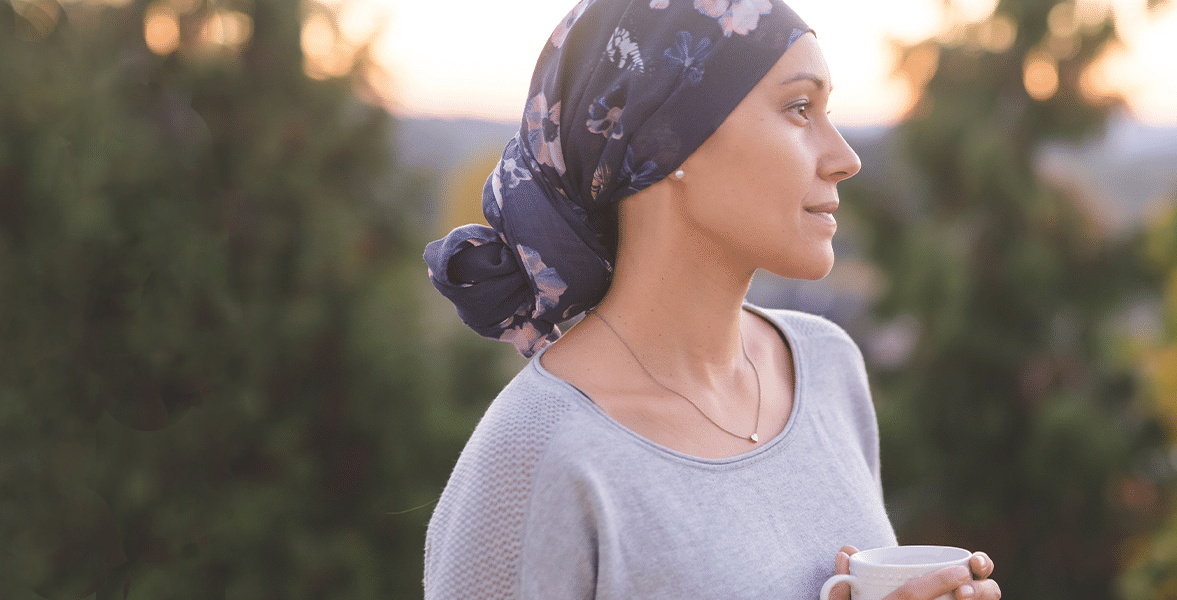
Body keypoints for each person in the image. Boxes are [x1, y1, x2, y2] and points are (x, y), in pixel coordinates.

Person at [418, 0, 1002, 598]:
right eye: (800, 109)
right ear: (669, 141)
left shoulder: (828, 368)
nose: (845, 159)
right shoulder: (539, 454)